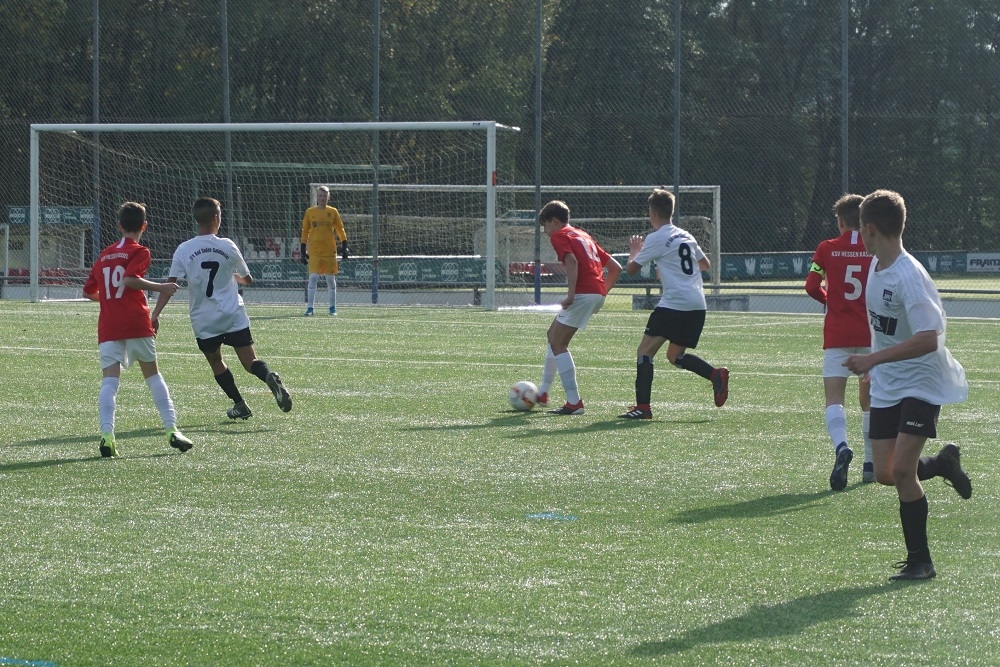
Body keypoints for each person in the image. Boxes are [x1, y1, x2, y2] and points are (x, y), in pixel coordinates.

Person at [844, 189, 971, 581]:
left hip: (921, 381)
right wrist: (876, 365)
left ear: (869, 228)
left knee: (901, 471)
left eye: (859, 228)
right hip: (888, 381)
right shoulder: (876, 265)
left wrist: (872, 360)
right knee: (885, 473)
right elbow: (884, 327)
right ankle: (944, 464)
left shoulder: (909, 276)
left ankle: (921, 561)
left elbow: (929, 337)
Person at [151, 197, 292, 420]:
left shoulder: (184, 249)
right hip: (232, 314)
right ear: (217, 218)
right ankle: (267, 376)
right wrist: (232, 276)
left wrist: (155, 314)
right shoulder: (227, 245)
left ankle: (240, 404)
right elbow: (248, 279)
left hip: (204, 319)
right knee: (250, 361)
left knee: (215, 361)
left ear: (196, 220)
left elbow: (170, 286)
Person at [82, 201, 193, 458]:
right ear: (144, 226)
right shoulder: (140, 251)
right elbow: (129, 279)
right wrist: (162, 287)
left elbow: (88, 292)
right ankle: (172, 429)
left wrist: (110, 301)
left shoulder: (105, 255)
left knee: (110, 381)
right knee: (153, 376)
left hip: (109, 325)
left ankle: (107, 436)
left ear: (119, 225)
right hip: (135, 321)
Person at [619, 188, 728, 419]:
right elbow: (705, 264)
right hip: (697, 305)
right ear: (671, 211)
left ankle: (643, 408)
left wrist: (634, 251)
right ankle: (715, 374)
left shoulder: (655, 238)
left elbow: (631, 269)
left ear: (652, 213)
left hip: (674, 304)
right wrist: (669, 267)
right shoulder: (686, 235)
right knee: (674, 356)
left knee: (644, 352)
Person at [805, 194, 875, 489]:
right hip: (870, 335)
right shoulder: (875, 249)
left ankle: (842, 447)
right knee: (869, 401)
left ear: (840, 221)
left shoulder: (826, 248)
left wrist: (829, 300)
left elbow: (811, 286)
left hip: (837, 335)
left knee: (834, 400)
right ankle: (870, 464)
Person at [535, 200, 622, 415]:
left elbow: (572, 262)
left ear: (554, 221)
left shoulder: (559, 235)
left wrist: (572, 294)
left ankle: (574, 402)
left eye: (545, 225)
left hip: (583, 293)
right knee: (552, 335)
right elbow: (615, 268)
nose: (545, 232)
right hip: (595, 292)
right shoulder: (583, 235)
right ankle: (543, 392)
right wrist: (600, 294)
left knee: (559, 343)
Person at [300, 186, 349, 316]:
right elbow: (305, 231)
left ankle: (332, 308)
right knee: (313, 278)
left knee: (330, 279)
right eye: (320, 195)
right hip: (314, 251)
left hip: (329, 251)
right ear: (317, 197)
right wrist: (303, 250)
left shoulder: (333, 212)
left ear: (329, 197)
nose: (322, 198)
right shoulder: (310, 212)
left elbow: (340, 229)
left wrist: (344, 246)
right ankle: (310, 308)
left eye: (325, 196)